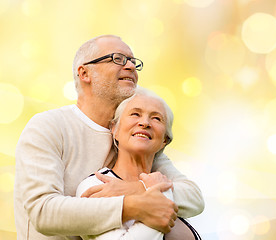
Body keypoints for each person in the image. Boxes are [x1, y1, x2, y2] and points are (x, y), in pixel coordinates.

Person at [14, 35, 204, 240]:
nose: (131, 66)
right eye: (118, 59)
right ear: (84, 73)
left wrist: (136, 189)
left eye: (133, 61)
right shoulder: (49, 126)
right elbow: (43, 212)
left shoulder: (134, 138)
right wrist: (133, 205)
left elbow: (193, 196)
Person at [76, 87, 201, 240]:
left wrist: (146, 188)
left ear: (164, 141)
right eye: (135, 114)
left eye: (156, 118)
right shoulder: (96, 185)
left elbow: (197, 200)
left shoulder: (164, 182)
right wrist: (159, 196)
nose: (144, 122)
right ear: (115, 129)